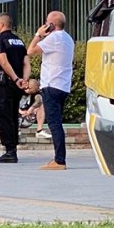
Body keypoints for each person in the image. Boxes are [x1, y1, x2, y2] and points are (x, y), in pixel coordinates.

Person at [28, 10, 75, 170]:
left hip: (51, 85)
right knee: (57, 122)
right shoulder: (68, 38)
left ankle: (59, 160)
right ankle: (58, 158)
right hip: (63, 86)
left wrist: (38, 34)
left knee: (54, 124)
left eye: (46, 23)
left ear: (51, 25)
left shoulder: (54, 38)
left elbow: (30, 51)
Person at [0, 12, 30, 164]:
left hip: (6, 83)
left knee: (4, 116)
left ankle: (9, 151)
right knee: (14, 115)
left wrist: (14, 78)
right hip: (18, 85)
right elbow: (26, 62)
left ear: (2, 24)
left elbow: (3, 61)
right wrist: (24, 80)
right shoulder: (19, 41)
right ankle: (12, 148)